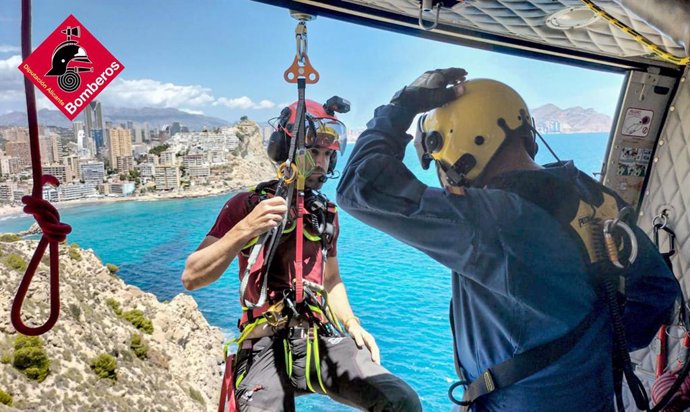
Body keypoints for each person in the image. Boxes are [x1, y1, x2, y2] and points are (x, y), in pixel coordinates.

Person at [336, 69, 679, 411]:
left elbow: (359, 187)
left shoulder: (495, 220)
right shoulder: (597, 198)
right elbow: (658, 294)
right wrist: (586, 352)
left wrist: (402, 105)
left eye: (440, 162)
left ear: (465, 146)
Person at [181, 98, 421, 412]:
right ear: (288, 152)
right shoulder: (248, 205)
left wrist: (352, 323)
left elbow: (331, 280)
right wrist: (245, 229)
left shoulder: (326, 214)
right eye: (313, 153)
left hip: (316, 341)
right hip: (263, 343)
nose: (321, 163)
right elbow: (192, 276)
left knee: (400, 401)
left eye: (327, 155)